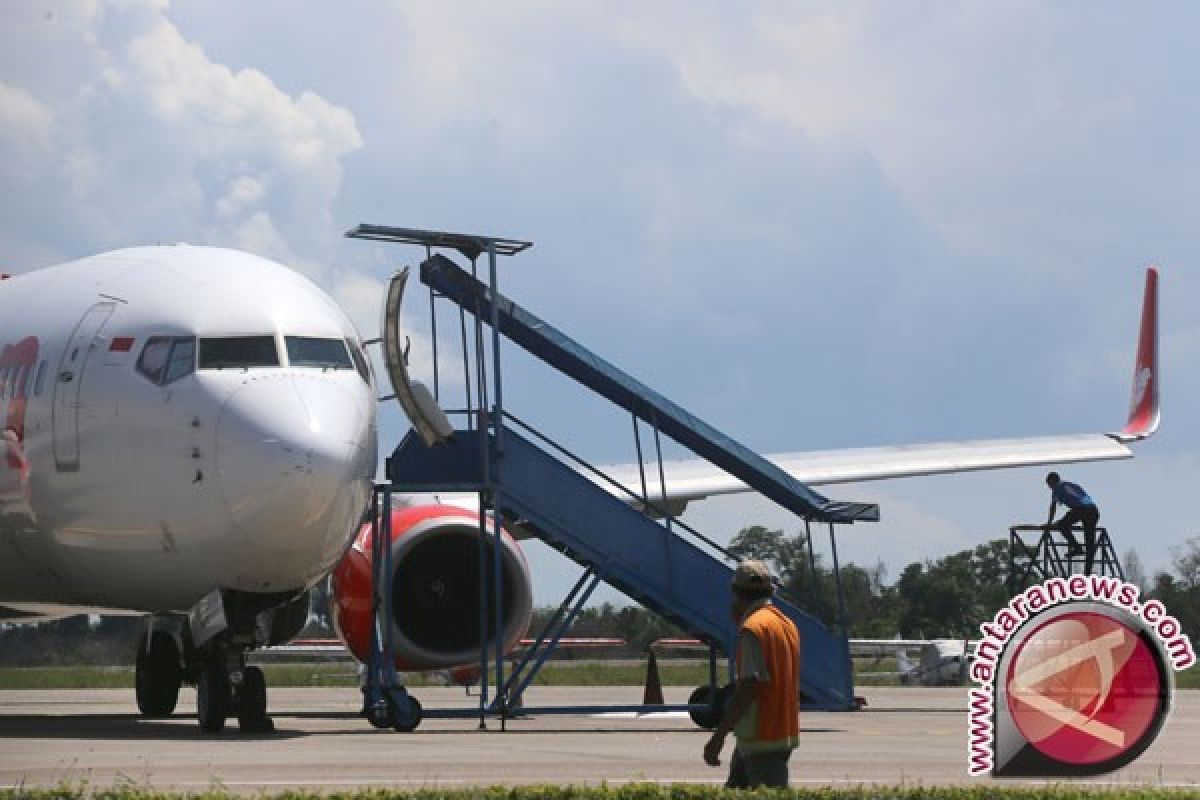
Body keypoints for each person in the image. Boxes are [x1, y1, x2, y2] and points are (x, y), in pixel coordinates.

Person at [703, 559, 800, 788]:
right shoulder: (786, 624)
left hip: (761, 738)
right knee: (736, 788)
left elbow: (749, 687)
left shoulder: (753, 629)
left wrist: (719, 736)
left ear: (736, 593)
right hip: (780, 732)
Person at [1045, 471, 1101, 574]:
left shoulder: (1057, 488)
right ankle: (1087, 574)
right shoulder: (1071, 485)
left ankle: (1077, 547)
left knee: (1061, 525)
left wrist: (1049, 522)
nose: (1050, 487)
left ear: (1053, 481)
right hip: (1093, 510)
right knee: (1090, 545)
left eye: (1049, 485)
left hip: (1081, 510)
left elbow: (1053, 507)